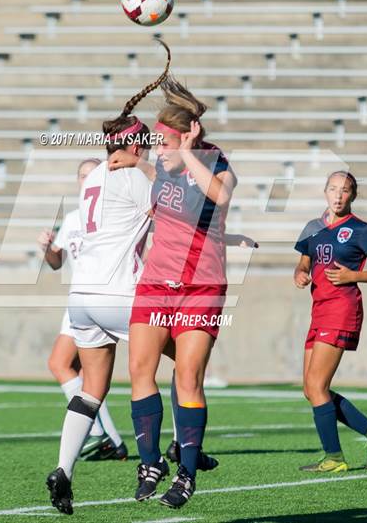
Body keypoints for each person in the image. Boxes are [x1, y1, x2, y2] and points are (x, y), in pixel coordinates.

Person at [45, 44, 174, 515]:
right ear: (132, 144)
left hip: (81, 297)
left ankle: (64, 469)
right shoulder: (133, 174)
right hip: (120, 292)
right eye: (142, 143)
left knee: (91, 388)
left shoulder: (95, 174)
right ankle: (173, 450)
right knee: (185, 353)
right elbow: (173, 205)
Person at [125, 74, 237, 508]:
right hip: (156, 283)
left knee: (188, 375)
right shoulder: (162, 167)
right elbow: (172, 196)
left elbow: (219, 198)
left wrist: (187, 152)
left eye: (164, 141)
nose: (158, 148)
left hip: (200, 287)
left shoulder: (216, 163)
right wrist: (134, 160)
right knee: (139, 368)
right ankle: (150, 461)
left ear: (187, 138)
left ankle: (186, 474)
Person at [37, 158, 127, 462]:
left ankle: (102, 434)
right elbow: (56, 262)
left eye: (93, 175)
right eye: (82, 176)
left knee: (64, 365)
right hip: (80, 301)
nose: (87, 180)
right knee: (69, 367)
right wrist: (47, 247)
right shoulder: (75, 217)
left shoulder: (109, 213)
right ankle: (109, 438)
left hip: (98, 297)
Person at [294, 170, 367, 473]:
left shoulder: (362, 229)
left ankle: (334, 457)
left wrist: (354, 275)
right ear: (325, 192)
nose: (338, 195)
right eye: (333, 189)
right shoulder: (312, 228)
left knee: (317, 385)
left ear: (352, 195)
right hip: (319, 310)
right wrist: (300, 274)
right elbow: (303, 262)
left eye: (345, 190)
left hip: (342, 308)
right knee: (311, 388)